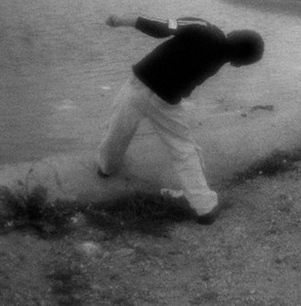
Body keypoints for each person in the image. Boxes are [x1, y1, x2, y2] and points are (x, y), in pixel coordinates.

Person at [96, 14, 264, 224]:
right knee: (183, 149)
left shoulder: (203, 28)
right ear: (238, 63)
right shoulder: (221, 59)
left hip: (138, 86)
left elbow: (160, 26)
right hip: (166, 101)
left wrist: (121, 20)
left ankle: (106, 168)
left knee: (118, 130)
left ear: (235, 33)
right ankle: (204, 206)